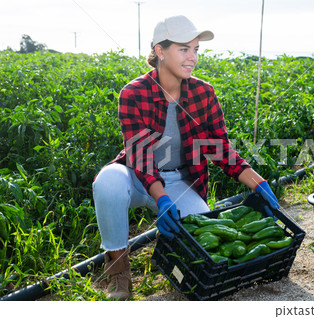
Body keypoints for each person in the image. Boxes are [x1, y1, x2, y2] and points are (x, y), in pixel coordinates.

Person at [92, 15, 280, 300]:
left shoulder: (204, 93)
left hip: (181, 181)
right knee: (107, 183)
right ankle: (118, 269)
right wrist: (161, 198)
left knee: (206, 239)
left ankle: (167, 260)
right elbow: (141, 155)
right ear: (160, 51)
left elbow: (219, 148)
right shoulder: (133, 93)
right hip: (136, 176)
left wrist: (258, 183)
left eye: (195, 50)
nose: (192, 58)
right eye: (184, 49)